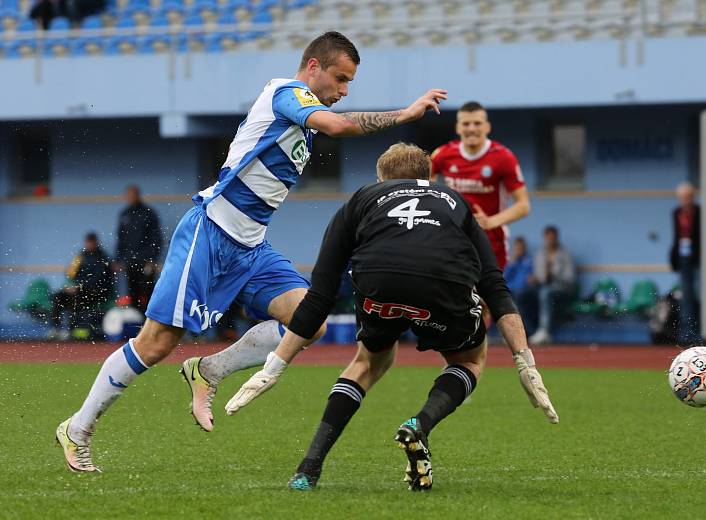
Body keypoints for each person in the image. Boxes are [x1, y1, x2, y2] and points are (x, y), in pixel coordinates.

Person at [55, 31, 448, 473]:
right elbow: (338, 126)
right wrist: (406, 113)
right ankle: (78, 427)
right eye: (340, 79)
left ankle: (210, 370)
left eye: (349, 84)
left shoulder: (302, 116)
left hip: (250, 245)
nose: (343, 91)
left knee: (309, 321)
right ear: (314, 66)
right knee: (158, 343)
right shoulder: (286, 93)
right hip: (211, 231)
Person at [223, 143, 558, 491]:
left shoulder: (362, 198)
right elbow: (493, 284)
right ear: (428, 177)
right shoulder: (454, 200)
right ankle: (420, 425)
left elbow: (319, 296)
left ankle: (308, 470)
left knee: (368, 362)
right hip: (443, 286)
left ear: (381, 178)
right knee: (470, 359)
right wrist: (525, 361)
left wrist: (274, 366)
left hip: (379, 284)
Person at [430, 101, 530, 270]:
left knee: (488, 295)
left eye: (477, 123)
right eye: (466, 123)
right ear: (457, 127)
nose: (471, 128)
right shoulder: (443, 154)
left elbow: (523, 205)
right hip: (453, 238)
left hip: (491, 243)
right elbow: (425, 184)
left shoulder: (503, 157)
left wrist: (491, 222)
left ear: (487, 127)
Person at [49, 232, 114, 340]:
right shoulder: (80, 256)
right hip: (78, 290)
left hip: (96, 292)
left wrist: (78, 287)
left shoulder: (103, 258)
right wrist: (69, 286)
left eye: (92, 242)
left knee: (76, 298)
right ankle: (56, 329)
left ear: (96, 242)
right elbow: (70, 274)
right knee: (58, 296)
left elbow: (98, 280)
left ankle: (71, 330)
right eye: (87, 242)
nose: (89, 245)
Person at [115, 185, 162, 313]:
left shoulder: (148, 213)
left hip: (145, 261)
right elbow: (120, 238)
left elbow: (156, 238)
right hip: (130, 261)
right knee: (132, 293)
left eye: (133, 194)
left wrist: (152, 258)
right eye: (128, 195)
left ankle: (149, 322)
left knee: (148, 292)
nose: (131, 198)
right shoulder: (124, 214)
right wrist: (119, 258)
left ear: (138, 195)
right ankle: (136, 325)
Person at [528, 225, 575, 345]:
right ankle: (528, 331)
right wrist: (536, 278)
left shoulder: (565, 254)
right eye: (548, 238)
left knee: (545, 293)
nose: (550, 240)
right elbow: (538, 275)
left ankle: (544, 331)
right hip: (542, 287)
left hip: (562, 290)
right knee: (522, 293)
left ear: (557, 238)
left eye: (553, 238)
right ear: (544, 238)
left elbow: (570, 279)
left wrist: (553, 274)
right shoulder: (540, 253)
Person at [669, 182, 701, 343]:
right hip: (683, 258)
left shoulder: (700, 213)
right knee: (685, 297)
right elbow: (676, 237)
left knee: (698, 295)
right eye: (682, 198)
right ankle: (686, 333)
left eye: (687, 197)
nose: (684, 200)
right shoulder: (676, 213)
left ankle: (698, 332)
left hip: (697, 258)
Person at [504, 237, 537, 335]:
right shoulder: (510, 261)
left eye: (521, 248)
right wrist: (512, 263)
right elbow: (504, 278)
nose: (519, 250)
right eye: (517, 248)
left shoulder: (529, 260)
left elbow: (532, 278)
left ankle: (525, 331)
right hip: (510, 291)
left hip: (524, 291)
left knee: (518, 298)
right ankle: (508, 332)